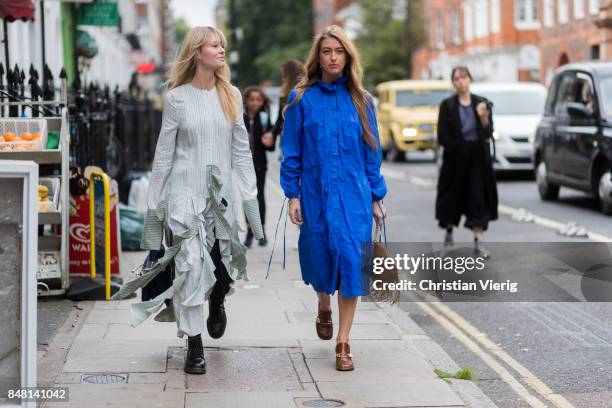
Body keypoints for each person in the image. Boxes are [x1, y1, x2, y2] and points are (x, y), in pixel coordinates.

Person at [116, 26, 263, 375]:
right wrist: (155, 208)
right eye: (215, 45)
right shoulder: (176, 98)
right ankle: (194, 345)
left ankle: (218, 298)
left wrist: (251, 201)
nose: (221, 50)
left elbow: (241, 153)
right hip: (184, 197)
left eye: (223, 45)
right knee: (191, 267)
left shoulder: (232, 96)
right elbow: (164, 154)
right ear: (197, 52)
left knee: (222, 268)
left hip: (222, 199)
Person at [280, 25, 387, 372]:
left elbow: (372, 152)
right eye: (327, 51)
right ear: (318, 57)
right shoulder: (300, 100)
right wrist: (292, 195)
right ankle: (323, 302)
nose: (333, 57)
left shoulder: (362, 100)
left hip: (353, 195)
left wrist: (376, 196)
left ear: (348, 56)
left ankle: (343, 342)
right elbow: (292, 152)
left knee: (352, 263)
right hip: (315, 193)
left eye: (339, 51)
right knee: (321, 258)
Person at [435, 66, 498, 252]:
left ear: (470, 79)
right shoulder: (447, 106)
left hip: (478, 159)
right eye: (456, 78)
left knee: (478, 198)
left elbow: (488, 133)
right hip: (455, 159)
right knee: (452, 197)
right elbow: (442, 136)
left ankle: (478, 241)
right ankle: (448, 231)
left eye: (463, 77)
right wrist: (457, 147)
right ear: (453, 82)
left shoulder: (482, 103)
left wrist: (483, 117)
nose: (460, 81)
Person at [242, 86, 275, 247]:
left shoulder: (264, 118)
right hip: (244, 166)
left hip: (260, 165)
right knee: (247, 199)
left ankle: (261, 232)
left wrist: (268, 142)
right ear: (246, 101)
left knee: (260, 197)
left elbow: (270, 146)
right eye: (252, 99)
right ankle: (249, 233)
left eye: (258, 99)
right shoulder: (241, 118)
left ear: (262, 102)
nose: (255, 102)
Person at [272, 59, 305, 147]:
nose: (282, 76)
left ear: (289, 73)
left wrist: (273, 134)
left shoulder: (292, 91)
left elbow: (280, 118)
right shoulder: (306, 86)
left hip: (291, 135)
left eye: (284, 73)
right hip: (297, 135)